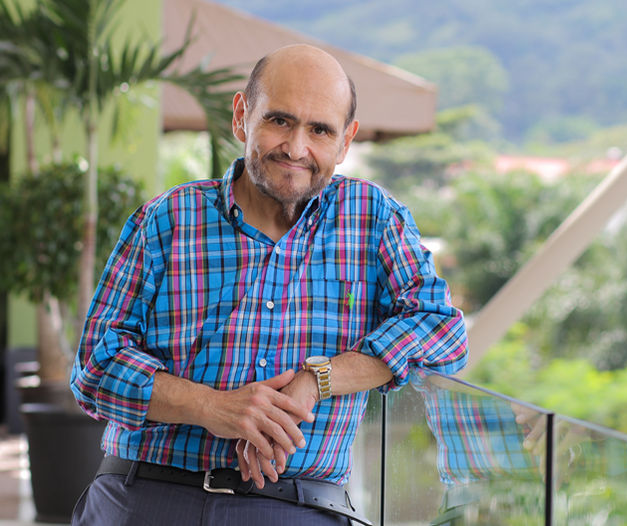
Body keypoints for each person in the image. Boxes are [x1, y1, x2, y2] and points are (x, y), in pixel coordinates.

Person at [70, 44, 468, 525]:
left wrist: (317, 380)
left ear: (345, 141)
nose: (296, 148)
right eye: (280, 121)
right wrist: (215, 408)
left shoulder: (373, 219)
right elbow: (95, 366)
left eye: (319, 129)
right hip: (148, 493)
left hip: (297, 505)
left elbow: (442, 330)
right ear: (242, 116)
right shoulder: (167, 219)